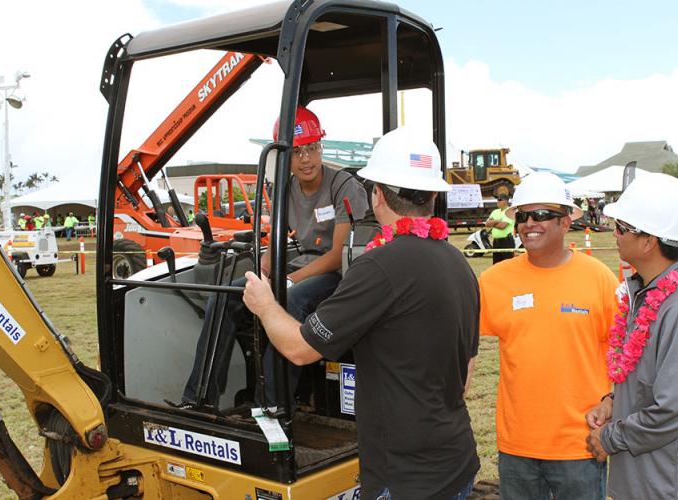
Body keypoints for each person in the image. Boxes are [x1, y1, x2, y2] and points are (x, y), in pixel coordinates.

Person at [243, 126, 480, 498]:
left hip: (404, 480)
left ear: (377, 194)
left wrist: (265, 304)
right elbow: (466, 374)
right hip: (455, 464)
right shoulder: (458, 262)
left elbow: (300, 349)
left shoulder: (379, 267)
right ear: (433, 194)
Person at [181, 106, 368, 407]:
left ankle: (270, 407)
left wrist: (288, 280)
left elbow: (337, 256)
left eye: (311, 149)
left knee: (288, 299)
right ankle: (200, 398)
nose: (305, 159)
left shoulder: (343, 187)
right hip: (298, 267)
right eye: (297, 152)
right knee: (228, 293)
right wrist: (266, 269)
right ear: (284, 156)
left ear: (321, 148)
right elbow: (275, 241)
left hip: (337, 275)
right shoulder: (286, 189)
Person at [478, 172, 618, 499]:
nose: (530, 223)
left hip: (580, 444)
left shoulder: (599, 279)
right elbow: (463, 345)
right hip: (517, 447)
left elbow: (628, 355)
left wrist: (614, 403)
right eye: (523, 216)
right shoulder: (495, 281)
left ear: (566, 222)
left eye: (542, 215)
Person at [585, 173, 678, 500]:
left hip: (670, 487)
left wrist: (610, 438)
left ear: (649, 241)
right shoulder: (643, 294)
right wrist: (614, 403)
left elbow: (677, 408)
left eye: (621, 228)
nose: (614, 235)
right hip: (645, 480)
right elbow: (650, 379)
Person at [484, 192, 515, 264]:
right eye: (497, 200)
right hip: (496, 242)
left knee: (508, 264)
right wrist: (497, 221)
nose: (497, 201)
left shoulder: (510, 211)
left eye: (499, 200)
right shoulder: (495, 211)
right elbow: (487, 224)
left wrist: (492, 223)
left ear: (506, 201)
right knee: (496, 264)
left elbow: (503, 226)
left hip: (507, 241)